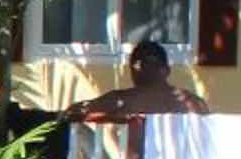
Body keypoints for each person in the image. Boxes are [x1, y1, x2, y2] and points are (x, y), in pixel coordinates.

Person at [65, 39, 209, 122]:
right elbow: (77, 112)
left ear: (165, 70)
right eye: (134, 63)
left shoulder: (124, 100)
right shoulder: (121, 99)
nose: (137, 68)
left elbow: (75, 112)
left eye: (144, 63)